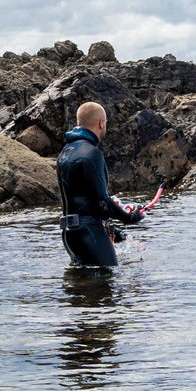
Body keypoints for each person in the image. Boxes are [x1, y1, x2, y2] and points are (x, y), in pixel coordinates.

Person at [57, 100, 144, 268]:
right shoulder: (92, 153)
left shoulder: (65, 152)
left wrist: (111, 230)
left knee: (82, 288)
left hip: (69, 234)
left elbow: (83, 201)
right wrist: (130, 217)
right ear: (101, 123)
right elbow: (102, 200)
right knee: (104, 286)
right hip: (89, 233)